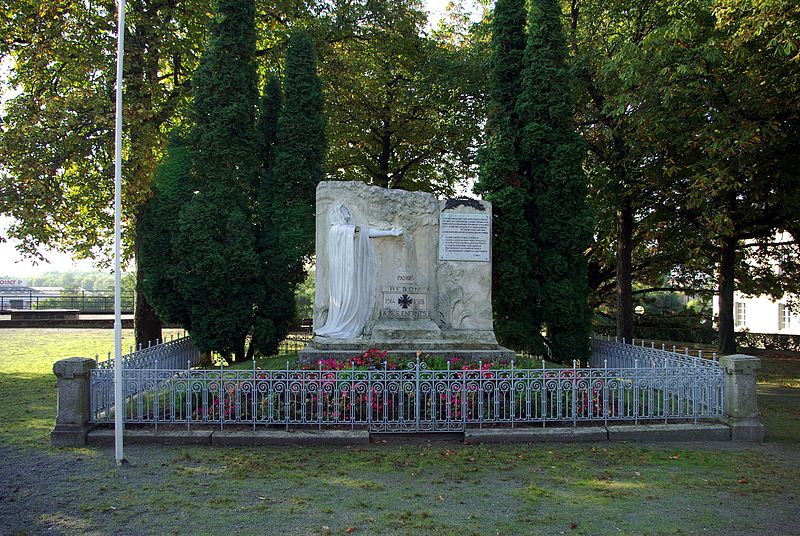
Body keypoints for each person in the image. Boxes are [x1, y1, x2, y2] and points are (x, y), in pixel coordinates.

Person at [315, 204, 402, 339]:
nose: (347, 212)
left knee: (353, 298)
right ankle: (342, 325)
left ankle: (349, 324)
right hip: (342, 276)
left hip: (351, 272)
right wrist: (389, 232)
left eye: (346, 209)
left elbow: (366, 233)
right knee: (345, 298)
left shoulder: (345, 230)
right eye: (343, 210)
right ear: (337, 213)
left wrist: (390, 232)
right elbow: (364, 232)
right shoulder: (337, 230)